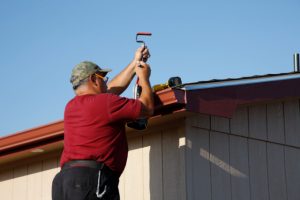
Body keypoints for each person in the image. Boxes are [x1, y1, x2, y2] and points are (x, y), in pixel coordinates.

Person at [52, 46, 154, 200]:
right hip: (92, 180)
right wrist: (144, 77)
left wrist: (135, 64)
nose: (106, 83)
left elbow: (108, 93)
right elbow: (147, 108)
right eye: (103, 78)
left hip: (64, 183)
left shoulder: (71, 106)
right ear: (93, 79)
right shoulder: (105, 103)